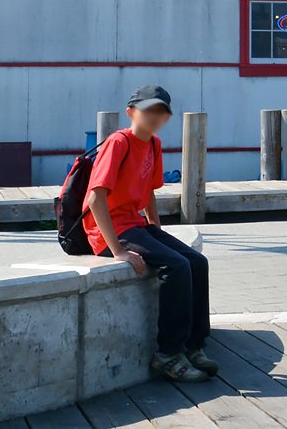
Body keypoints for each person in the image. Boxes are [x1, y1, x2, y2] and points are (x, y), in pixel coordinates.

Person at [84, 85, 216, 383]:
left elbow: (149, 190)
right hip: (109, 230)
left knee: (196, 261)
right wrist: (117, 250)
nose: (155, 117)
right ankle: (168, 353)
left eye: (161, 112)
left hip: (136, 224)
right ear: (132, 112)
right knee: (177, 265)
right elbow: (95, 199)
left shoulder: (154, 145)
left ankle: (194, 346)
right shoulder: (119, 143)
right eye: (149, 111)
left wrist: (155, 227)